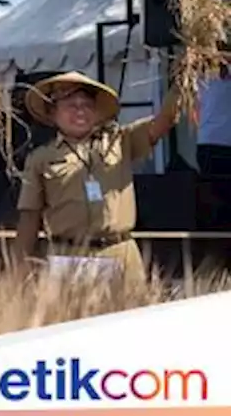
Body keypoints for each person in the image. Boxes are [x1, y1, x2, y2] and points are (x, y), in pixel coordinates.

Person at [15, 71, 179, 283]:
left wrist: (181, 82)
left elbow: (165, 120)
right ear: (52, 112)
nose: (80, 111)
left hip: (119, 253)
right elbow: (29, 217)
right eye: (71, 105)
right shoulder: (40, 159)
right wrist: (19, 270)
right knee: (71, 316)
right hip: (67, 256)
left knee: (129, 315)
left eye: (87, 105)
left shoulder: (121, 141)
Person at [194, 69, 231, 229]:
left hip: (208, 142)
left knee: (214, 196)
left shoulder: (202, 77)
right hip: (218, 143)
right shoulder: (203, 77)